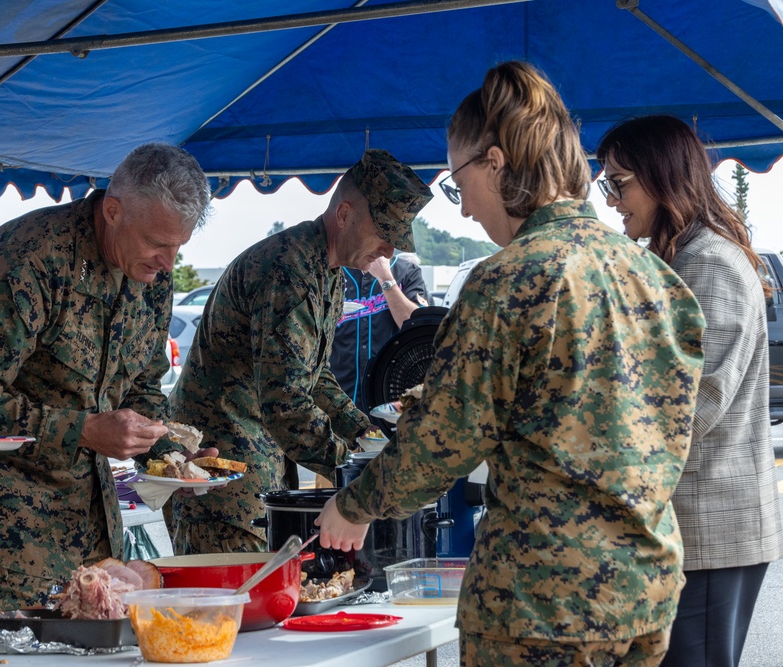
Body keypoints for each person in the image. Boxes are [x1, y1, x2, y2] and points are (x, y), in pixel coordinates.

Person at [316, 62, 707, 666]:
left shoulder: (508, 280)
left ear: (495, 163)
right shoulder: (655, 277)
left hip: (542, 607)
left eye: (457, 181)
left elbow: (440, 443)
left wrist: (353, 505)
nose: (465, 208)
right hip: (645, 592)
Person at [0, 143, 215, 612]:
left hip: (91, 519)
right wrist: (84, 430)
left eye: (178, 247)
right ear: (113, 211)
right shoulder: (27, 257)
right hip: (6, 523)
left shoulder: (150, 278)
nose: (167, 262)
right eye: (158, 244)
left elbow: (143, 386)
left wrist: (172, 455)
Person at [167, 148, 433, 554]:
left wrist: (365, 434)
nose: (389, 253)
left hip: (258, 461)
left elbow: (314, 375)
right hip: (222, 472)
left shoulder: (326, 269)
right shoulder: (289, 270)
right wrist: (360, 470)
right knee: (236, 602)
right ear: (344, 215)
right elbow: (287, 402)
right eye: (384, 235)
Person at [597, 115, 783, 667]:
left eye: (620, 183)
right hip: (683, 532)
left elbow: (687, 408)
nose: (611, 201)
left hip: (707, 533)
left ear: (663, 177)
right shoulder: (678, 255)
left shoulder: (708, 264)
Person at [330, 252, 429, 413]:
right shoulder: (334, 272)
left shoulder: (406, 271)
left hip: (392, 399)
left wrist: (386, 278)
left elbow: (418, 330)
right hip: (338, 397)